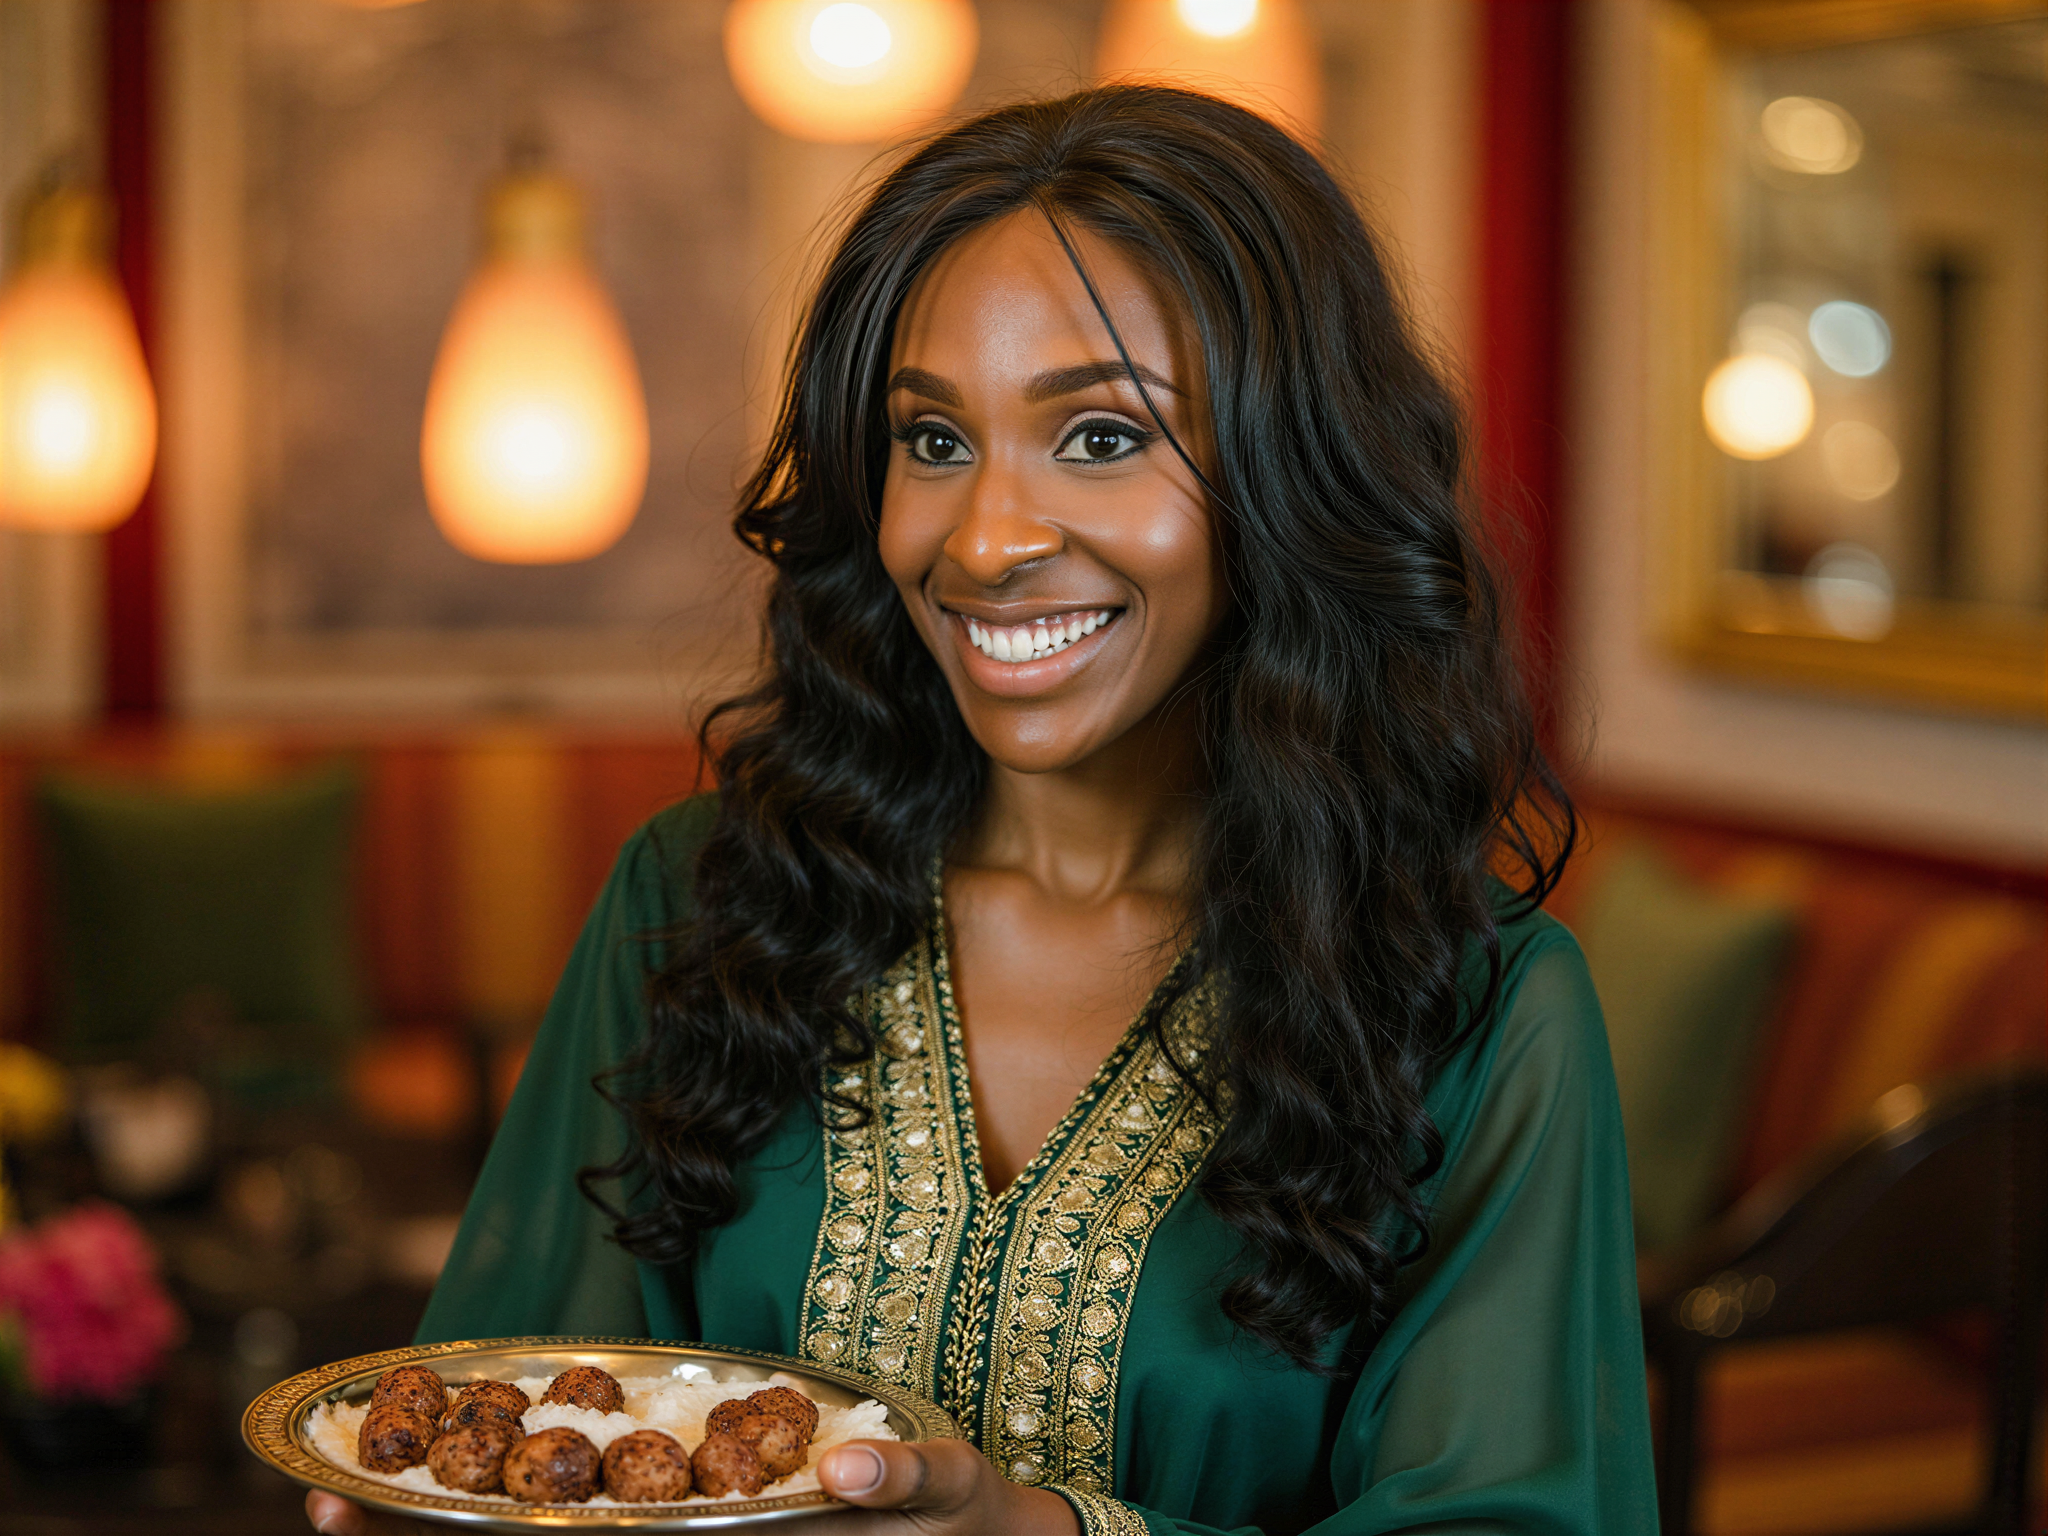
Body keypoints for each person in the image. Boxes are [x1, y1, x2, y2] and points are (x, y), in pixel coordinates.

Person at [308, 85, 1655, 1536]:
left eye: (1099, 438)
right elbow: (513, 1413)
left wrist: (1040, 1531)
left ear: (1292, 471)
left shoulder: (1479, 1020)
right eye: (933, 442)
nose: (986, 542)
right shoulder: (697, 907)